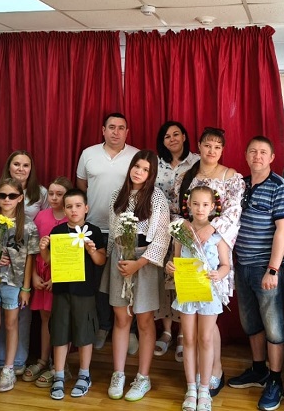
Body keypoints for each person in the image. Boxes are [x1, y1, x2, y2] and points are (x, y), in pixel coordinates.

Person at [172, 126, 245, 396]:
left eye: (217, 146)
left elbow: (234, 212)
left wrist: (211, 229)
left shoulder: (231, 177)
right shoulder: (186, 176)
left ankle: (215, 368)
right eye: (207, 145)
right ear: (199, 147)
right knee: (196, 317)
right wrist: (185, 230)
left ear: (222, 149)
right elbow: (175, 210)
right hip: (189, 251)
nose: (212, 150)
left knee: (209, 319)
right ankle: (198, 376)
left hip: (215, 252)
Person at [229, 136, 284, 411]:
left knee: (274, 327)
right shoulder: (239, 185)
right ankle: (259, 370)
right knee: (250, 322)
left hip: (266, 268)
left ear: (271, 158)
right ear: (246, 155)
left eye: (263, 152)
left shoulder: (280, 187)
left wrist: (273, 269)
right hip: (241, 264)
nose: (257, 156)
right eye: (253, 151)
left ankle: (276, 380)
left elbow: (283, 230)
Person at [106, 150, 170, 402]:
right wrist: (114, 261)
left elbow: (162, 238)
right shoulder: (117, 195)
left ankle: (143, 377)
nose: (139, 172)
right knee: (121, 318)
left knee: (144, 320)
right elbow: (113, 231)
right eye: (136, 166)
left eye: (145, 169)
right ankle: (118, 373)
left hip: (145, 262)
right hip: (120, 260)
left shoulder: (157, 197)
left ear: (151, 174)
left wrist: (138, 264)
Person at [0, 150, 47, 375]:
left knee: (17, 320)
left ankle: (14, 364)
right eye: (16, 164)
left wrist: (27, 283)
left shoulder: (39, 195)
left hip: (19, 272)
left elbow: (41, 229)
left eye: (25, 165)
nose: (20, 168)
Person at [76, 112, 139, 350]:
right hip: (94, 227)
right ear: (103, 130)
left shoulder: (135, 156)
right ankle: (103, 326)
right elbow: (82, 185)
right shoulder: (88, 154)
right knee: (99, 283)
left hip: (126, 230)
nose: (116, 132)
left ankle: (130, 330)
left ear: (127, 132)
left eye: (121, 128)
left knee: (127, 280)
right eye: (111, 127)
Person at [166, 186, 230, 411]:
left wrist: (219, 274)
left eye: (205, 205)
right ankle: (191, 388)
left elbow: (226, 265)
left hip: (208, 295)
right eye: (196, 204)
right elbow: (175, 261)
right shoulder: (181, 233)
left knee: (205, 339)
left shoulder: (218, 235)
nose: (200, 209)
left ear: (212, 207)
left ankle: (204, 389)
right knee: (189, 339)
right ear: (189, 205)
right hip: (187, 293)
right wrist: (170, 267)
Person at [39, 188, 106, 400]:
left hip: (85, 291)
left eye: (78, 206)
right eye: (69, 206)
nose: (73, 210)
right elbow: (50, 261)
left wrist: (92, 250)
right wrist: (43, 249)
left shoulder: (94, 231)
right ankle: (59, 374)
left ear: (86, 208)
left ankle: (84, 375)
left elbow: (101, 260)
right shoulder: (58, 232)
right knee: (59, 332)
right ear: (64, 209)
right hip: (61, 290)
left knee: (84, 333)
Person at [0, 178, 39, 394]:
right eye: (2, 195)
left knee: (11, 324)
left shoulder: (28, 225)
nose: (7, 199)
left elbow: (30, 257)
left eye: (12, 195)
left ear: (20, 198)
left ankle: (9, 368)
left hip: (14, 283)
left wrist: (26, 288)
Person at [154, 121, 200, 359]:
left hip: (187, 227)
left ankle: (182, 333)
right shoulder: (156, 163)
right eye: (167, 136)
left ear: (184, 136)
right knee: (164, 278)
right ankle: (166, 331)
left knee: (183, 278)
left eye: (176, 134)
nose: (172, 139)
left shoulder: (197, 161)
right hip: (161, 225)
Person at [26, 177, 73, 386]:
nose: (54, 198)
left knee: (62, 319)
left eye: (59, 194)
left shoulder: (72, 219)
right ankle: (43, 360)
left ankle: (60, 365)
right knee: (45, 317)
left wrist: (58, 278)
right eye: (51, 193)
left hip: (62, 275)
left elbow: (73, 255)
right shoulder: (42, 216)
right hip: (41, 273)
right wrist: (34, 275)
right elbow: (33, 249)